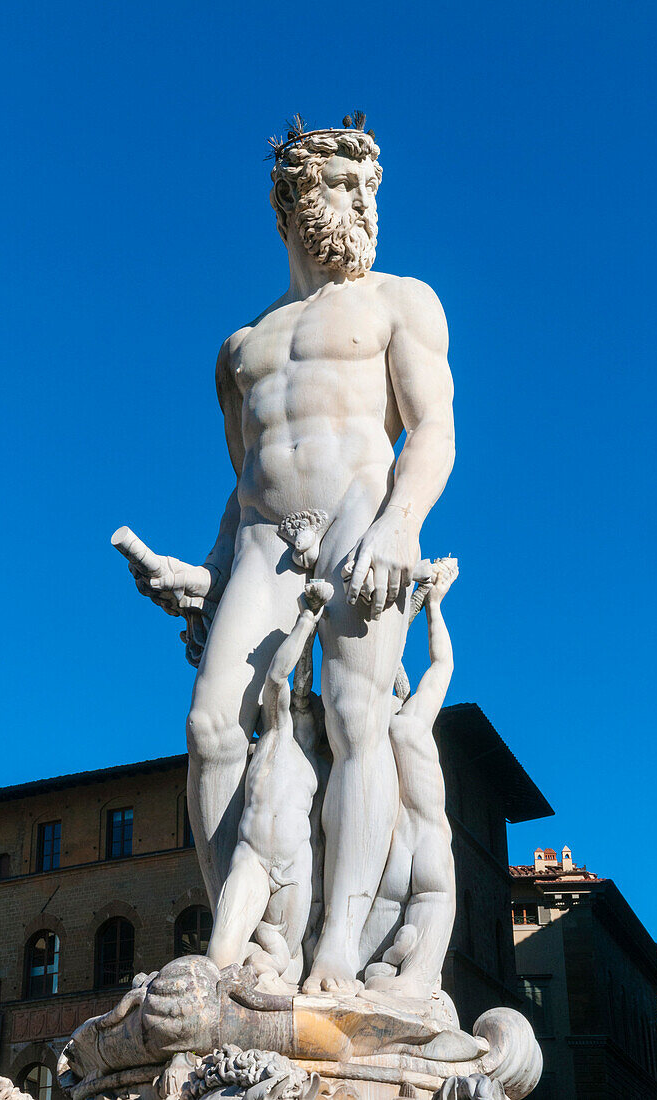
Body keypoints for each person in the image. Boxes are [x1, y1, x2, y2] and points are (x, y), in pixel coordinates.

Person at [125, 117, 455, 992]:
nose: (362, 206)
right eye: (343, 188)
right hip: (267, 538)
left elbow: (432, 432)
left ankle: (340, 945)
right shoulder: (241, 347)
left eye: (369, 191)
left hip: (362, 514)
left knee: (355, 719)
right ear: (291, 203)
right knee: (209, 726)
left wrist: (395, 525)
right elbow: (243, 485)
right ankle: (259, 937)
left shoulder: (401, 300)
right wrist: (200, 571)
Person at [206, 581, 333, 991]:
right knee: (220, 955)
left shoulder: (323, 768)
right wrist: (307, 621)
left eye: (311, 705)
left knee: (286, 960)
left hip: (296, 868)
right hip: (255, 858)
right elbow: (281, 679)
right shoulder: (278, 732)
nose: (305, 704)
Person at [361, 557, 459, 1000]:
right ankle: (411, 978)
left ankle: (378, 970)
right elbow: (442, 666)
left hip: (391, 850)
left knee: (361, 973)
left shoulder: (364, 734)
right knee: (431, 913)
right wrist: (435, 604)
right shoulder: (413, 722)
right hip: (430, 840)